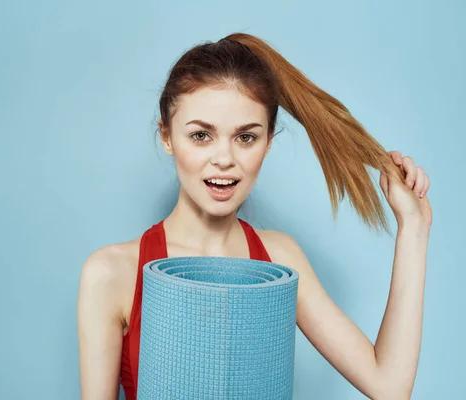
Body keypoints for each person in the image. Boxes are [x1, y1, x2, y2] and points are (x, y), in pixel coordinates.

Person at [77, 32, 432, 400]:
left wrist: (414, 230)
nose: (225, 159)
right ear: (166, 136)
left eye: (245, 137)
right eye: (201, 135)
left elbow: (390, 387)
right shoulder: (111, 273)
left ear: (268, 143)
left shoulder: (281, 261)